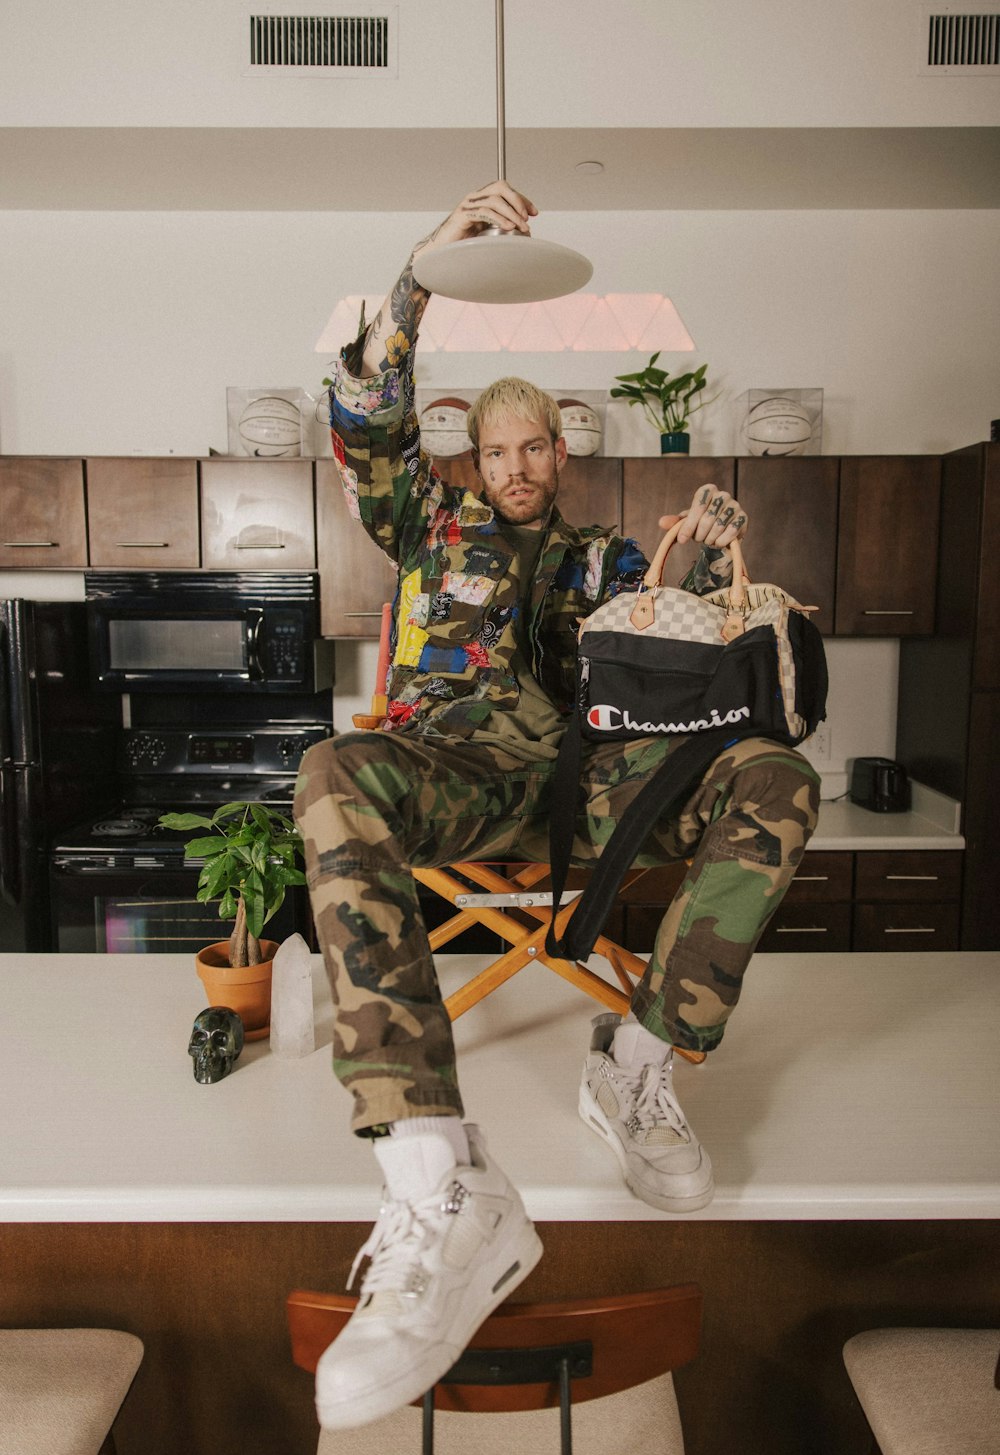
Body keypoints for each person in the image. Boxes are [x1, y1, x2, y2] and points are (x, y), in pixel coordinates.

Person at [293, 180, 820, 1430]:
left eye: (535, 446)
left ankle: (636, 1064)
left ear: (563, 455)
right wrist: (420, 270)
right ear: (472, 460)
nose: (516, 466)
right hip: (460, 778)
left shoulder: (606, 561)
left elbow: (663, 675)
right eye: (495, 448)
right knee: (329, 767)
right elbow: (368, 417)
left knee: (775, 777)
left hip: (592, 789)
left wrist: (686, 564)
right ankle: (435, 1176)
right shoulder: (426, 525)